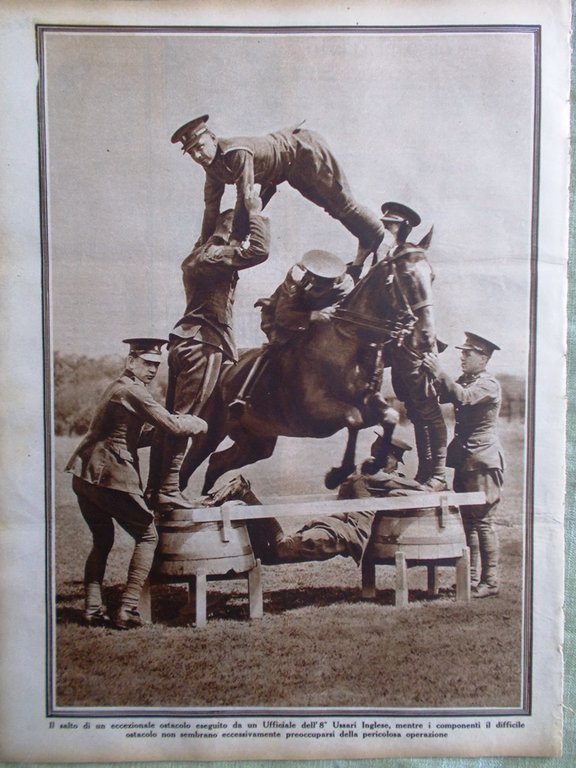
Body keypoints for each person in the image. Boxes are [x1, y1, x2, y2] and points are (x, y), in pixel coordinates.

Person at [65, 338, 208, 629]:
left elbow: (130, 435)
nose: (153, 370)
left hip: (85, 475)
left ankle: (93, 608)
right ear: (131, 362)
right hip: (110, 476)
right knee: (148, 536)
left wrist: (161, 433)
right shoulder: (133, 391)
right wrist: (200, 423)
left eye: (156, 365)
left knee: (102, 541)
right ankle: (127, 609)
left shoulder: (119, 388)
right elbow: (172, 424)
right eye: (147, 364)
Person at [146, 191, 270, 512]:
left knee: (173, 417)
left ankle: (154, 486)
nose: (238, 242)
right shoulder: (214, 257)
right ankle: (168, 489)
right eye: (236, 235)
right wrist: (255, 212)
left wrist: (257, 194)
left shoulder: (200, 253)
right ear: (227, 234)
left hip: (186, 341)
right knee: (183, 420)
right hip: (204, 343)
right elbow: (259, 250)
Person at [170, 115, 384, 259]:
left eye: (200, 147)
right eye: (192, 153)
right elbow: (211, 208)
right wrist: (204, 245)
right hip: (287, 172)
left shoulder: (235, 152)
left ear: (213, 138)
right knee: (331, 209)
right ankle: (367, 240)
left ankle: (382, 238)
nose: (198, 155)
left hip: (303, 150)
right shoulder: (212, 169)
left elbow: (246, 196)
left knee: (342, 203)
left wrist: (235, 240)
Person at [204, 435, 414, 565]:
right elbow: (419, 488)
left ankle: (246, 497)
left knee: (269, 555)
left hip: (333, 526)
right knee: (281, 549)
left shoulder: (362, 472)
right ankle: (244, 494)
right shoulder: (376, 476)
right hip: (343, 533)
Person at [361, 201, 447, 492]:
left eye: (391, 224)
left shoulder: (409, 254)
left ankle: (436, 474)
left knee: (426, 407)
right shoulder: (378, 250)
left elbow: (421, 295)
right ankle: (424, 473)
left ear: (403, 228)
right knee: (412, 405)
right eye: (384, 222)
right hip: (390, 339)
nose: (385, 227)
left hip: (412, 337)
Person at [421, 332, 504, 598]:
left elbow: (463, 397)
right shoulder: (468, 380)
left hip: (483, 461)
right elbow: (444, 394)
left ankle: (490, 582)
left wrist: (439, 371)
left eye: (468, 353)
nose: (463, 356)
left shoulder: (488, 384)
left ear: (483, 357)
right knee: (468, 522)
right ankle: (469, 579)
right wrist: (427, 372)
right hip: (466, 460)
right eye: (463, 352)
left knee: (483, 522)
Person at [228, 249, 354, 416]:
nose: (313, 291)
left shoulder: (345, 286)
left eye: (319, 290)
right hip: (281, 317)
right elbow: (283, 316)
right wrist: (311, 316)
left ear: (332, 284)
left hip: (321, 322)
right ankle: (242, 395)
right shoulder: (295, 278)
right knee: (276, 346)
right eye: (311, 287)